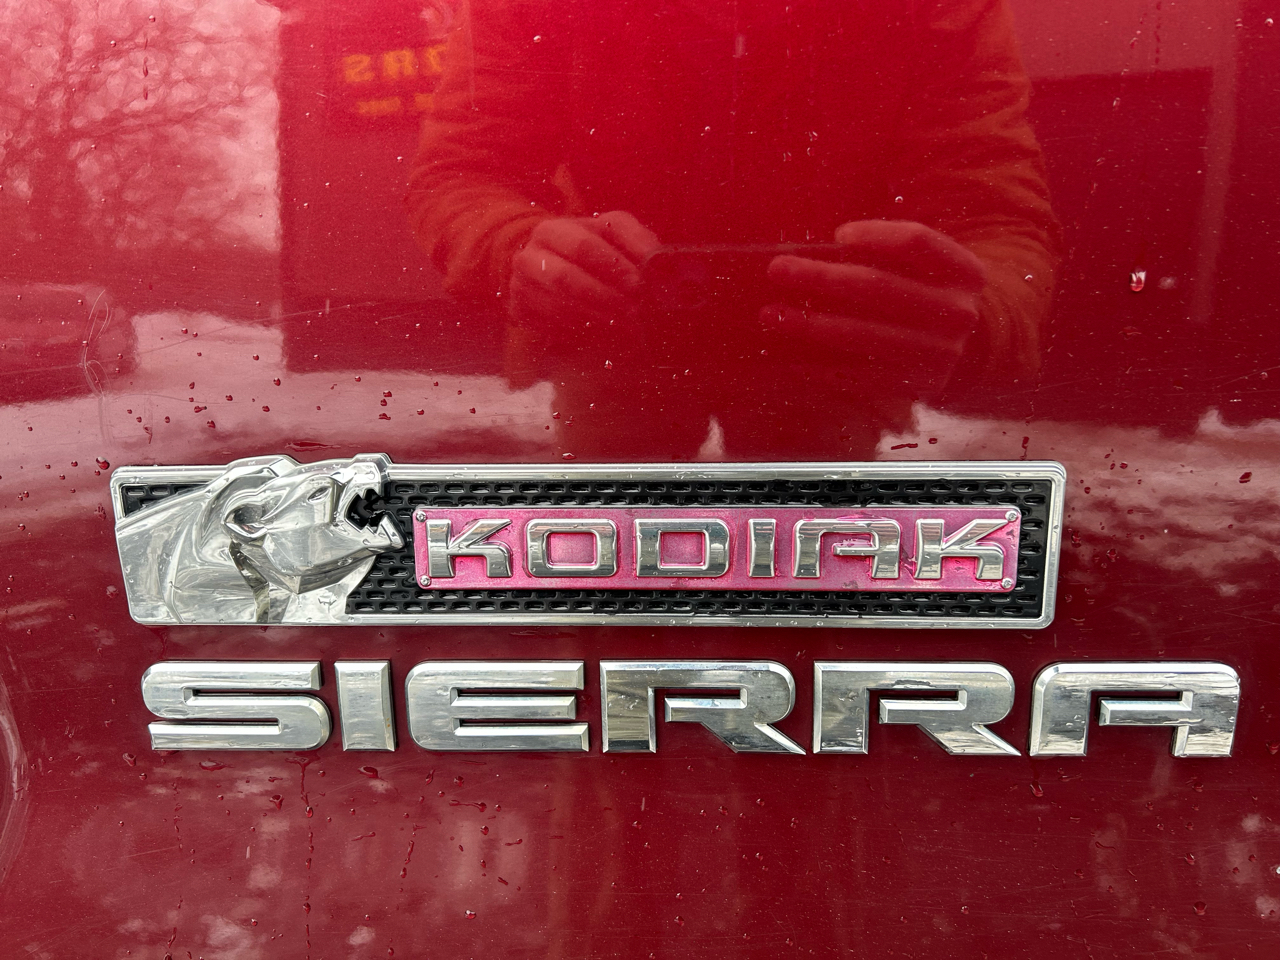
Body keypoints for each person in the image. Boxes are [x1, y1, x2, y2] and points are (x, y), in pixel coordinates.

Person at [407, 0, 1059, 459]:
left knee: (619, 570)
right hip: (767, 332)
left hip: (757, 340)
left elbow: (994, 213)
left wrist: (984, 315)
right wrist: (985, 315)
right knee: (806, 576)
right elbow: (465, 172)